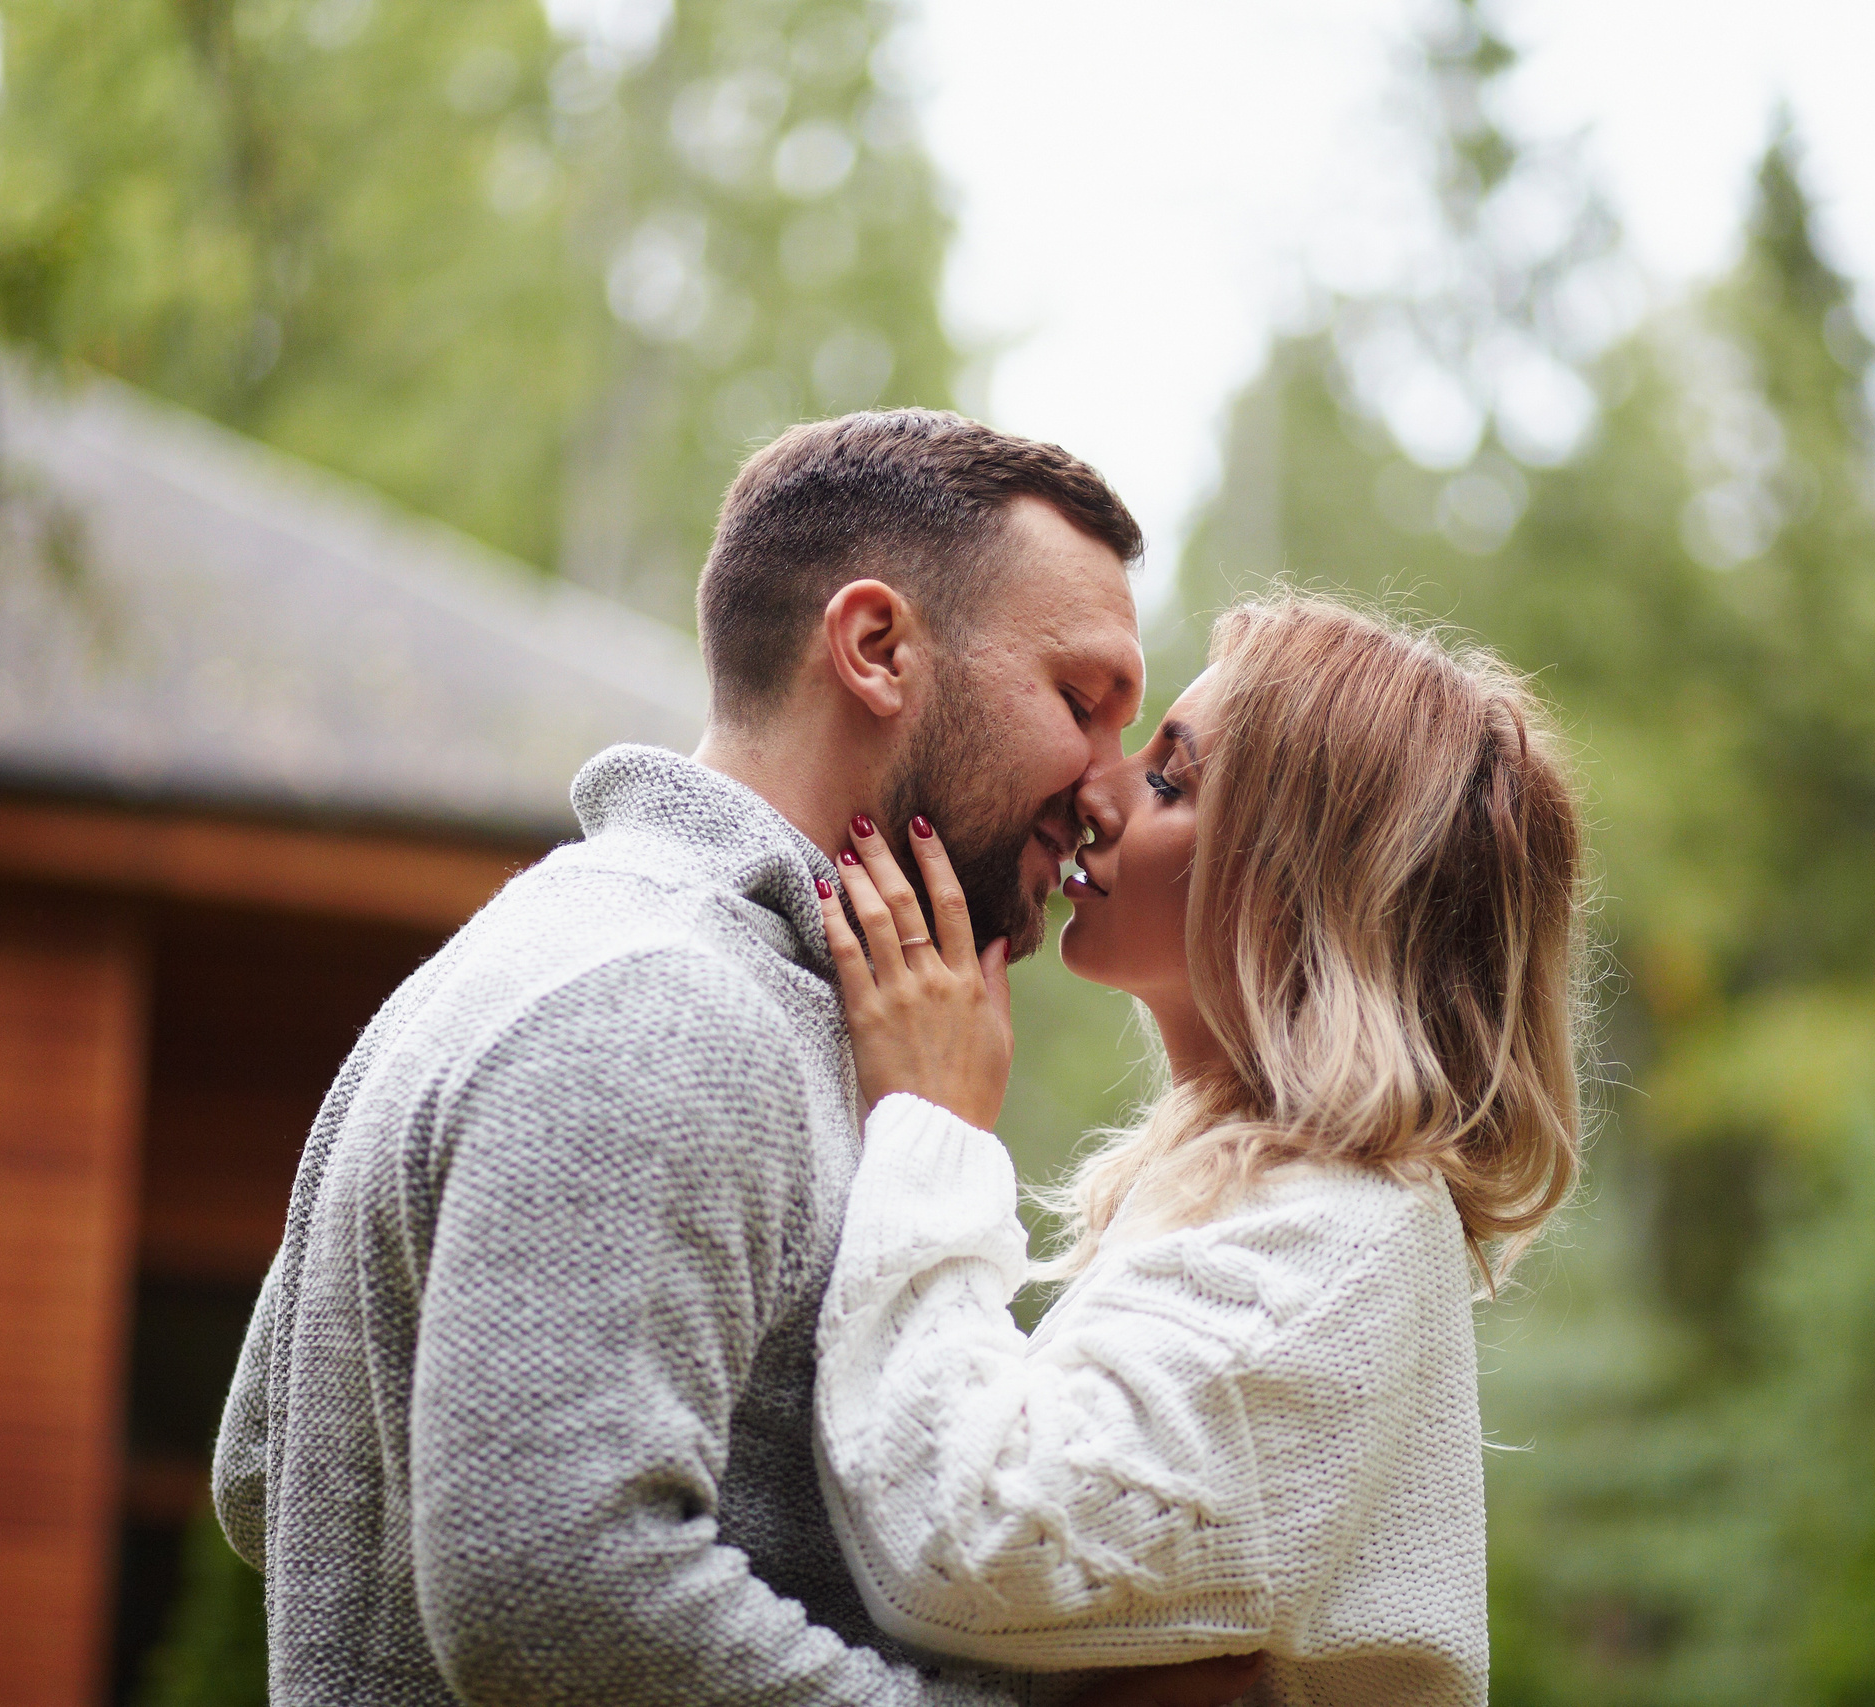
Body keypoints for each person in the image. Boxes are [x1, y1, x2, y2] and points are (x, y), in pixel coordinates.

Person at [212, 409, 1255, 1707]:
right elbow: (551, 1587)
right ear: (876, 648)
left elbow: (270, 1463)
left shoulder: (524, 946)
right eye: (1080, 701)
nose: (1104, 786)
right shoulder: (672, 1008)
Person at [810, 595, 1589, 1706]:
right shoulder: (1274, 1209)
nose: (1097, 790)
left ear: (1304, 889)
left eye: (1170, 780)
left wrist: (932, 1132)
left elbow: (969, 1548)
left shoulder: (1341, 1236)